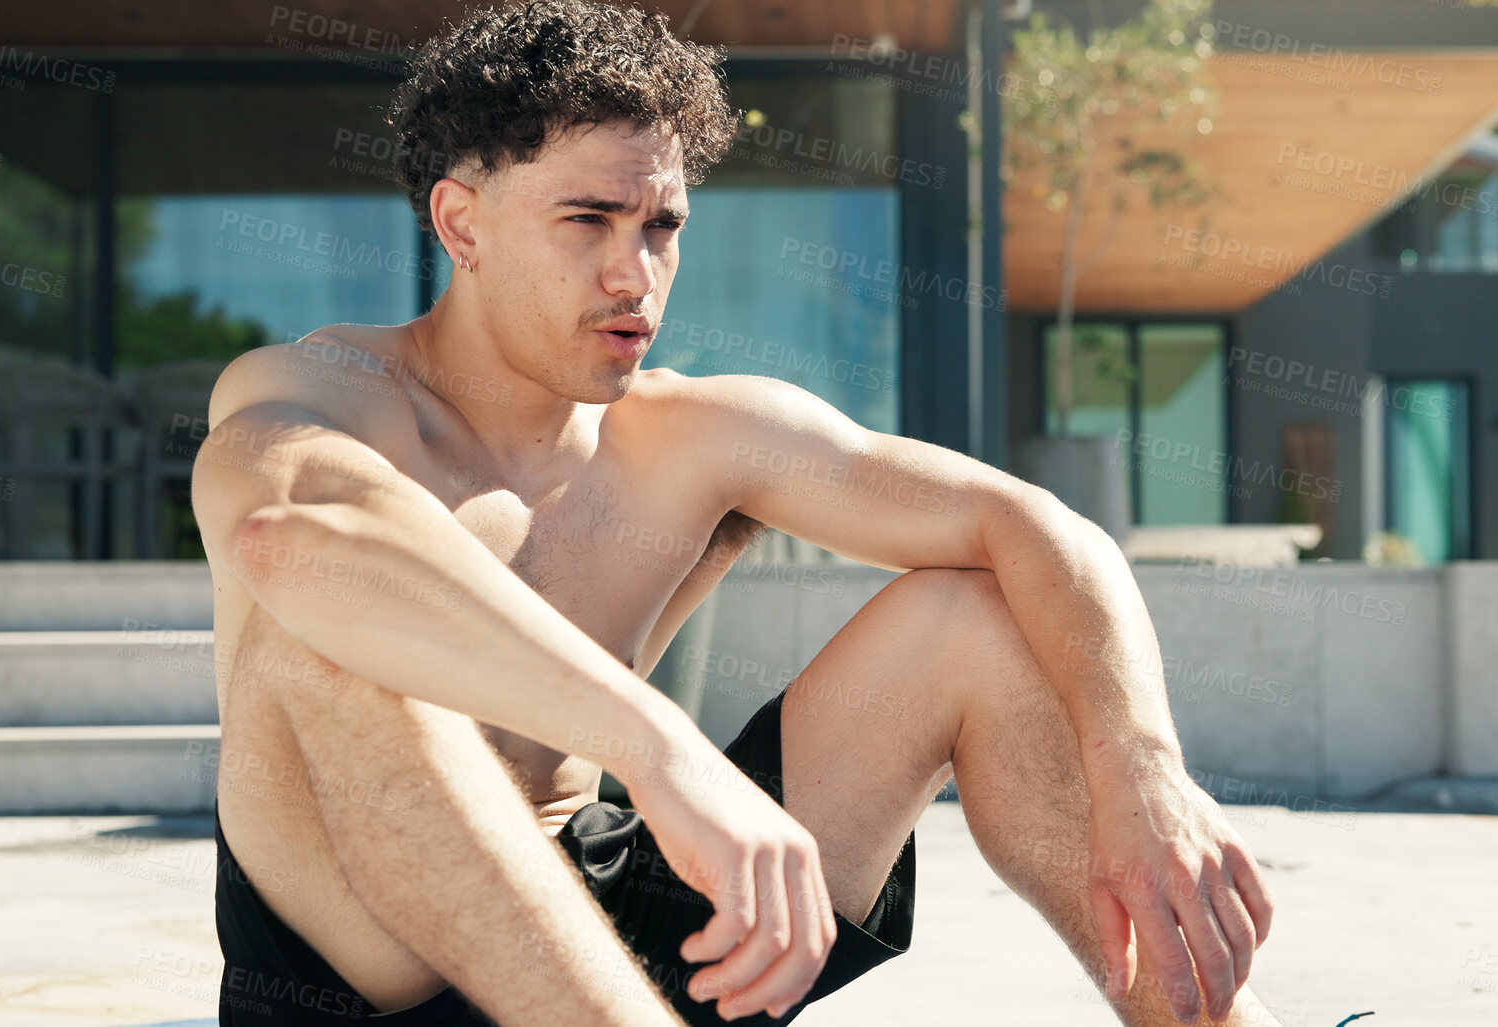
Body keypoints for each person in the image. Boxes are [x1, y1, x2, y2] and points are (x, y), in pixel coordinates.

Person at [190, 2, 1281, 1025]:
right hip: (367, 971)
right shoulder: (325, 392)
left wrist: (1143, 767)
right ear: (460, 222)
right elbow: (293, 541)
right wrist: (662, 749)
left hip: (620, 941)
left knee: (977, 617)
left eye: (662, 226)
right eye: (587, 220)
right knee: (316, 644)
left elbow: (1033, 525)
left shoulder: (688, 437)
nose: (635, 275)